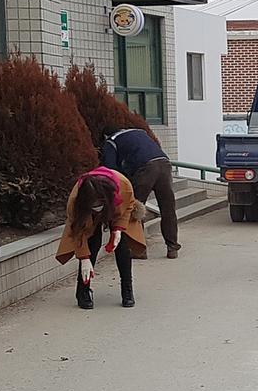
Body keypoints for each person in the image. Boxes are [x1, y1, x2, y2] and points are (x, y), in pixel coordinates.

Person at [55, 166, 147, 309]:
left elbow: (128, 206)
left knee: (122, 245)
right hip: (86, 215)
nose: (96, 207)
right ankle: (83, 291)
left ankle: (127, 289)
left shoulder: (123, 186)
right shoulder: (75, 199)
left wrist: (118, 229)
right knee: (92, 243)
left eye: (99, 203)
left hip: (116, 208)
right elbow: (78, 229)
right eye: (93, 204)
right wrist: (84, 258)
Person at [101, 126, 179, 259]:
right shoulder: (139, 132)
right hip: (164, 163)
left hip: (145, 168)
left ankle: (139, 250)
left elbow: (111, 169)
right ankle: (172, 248)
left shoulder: (111, 141)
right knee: (168, 208)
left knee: (135, 207)